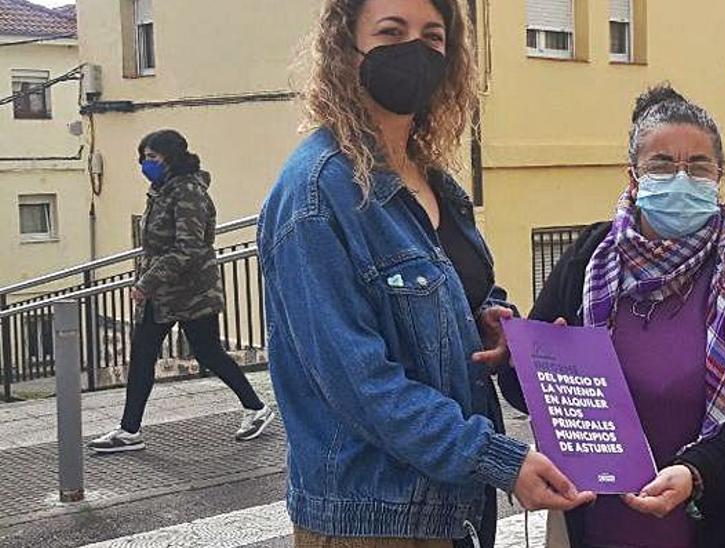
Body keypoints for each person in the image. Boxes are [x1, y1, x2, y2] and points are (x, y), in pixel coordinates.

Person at [257, 1, 592, 546]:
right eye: (392, 31)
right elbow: (359, 384)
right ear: (346, 47)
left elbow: (455, 292)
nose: (416, 49)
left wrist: (488, 321)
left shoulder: (432, 177)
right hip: (372, 522)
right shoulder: (316, 194)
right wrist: (498, 458)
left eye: (433, 36)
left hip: (452, 511)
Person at [499, 85, 725, 548]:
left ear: (718, 176)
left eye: (699, 165)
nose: (681, 178)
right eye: (662, 163)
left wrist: (698, 470)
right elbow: (524, 396)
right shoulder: (587, 262)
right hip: (600, 525)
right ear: (633, 177)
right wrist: (522, 357)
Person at [87, 130, 274, 454]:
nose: (146, 164)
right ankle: (129, 430)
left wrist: (148, 282)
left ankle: (256, 407)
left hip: (192, 291)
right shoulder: (161, 191)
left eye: (153, 158)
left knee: (208, 352)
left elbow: (189, 247)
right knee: (143, 356)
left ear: (171, 158)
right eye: (144, 158)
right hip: (162, 295)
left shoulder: (188, 192)